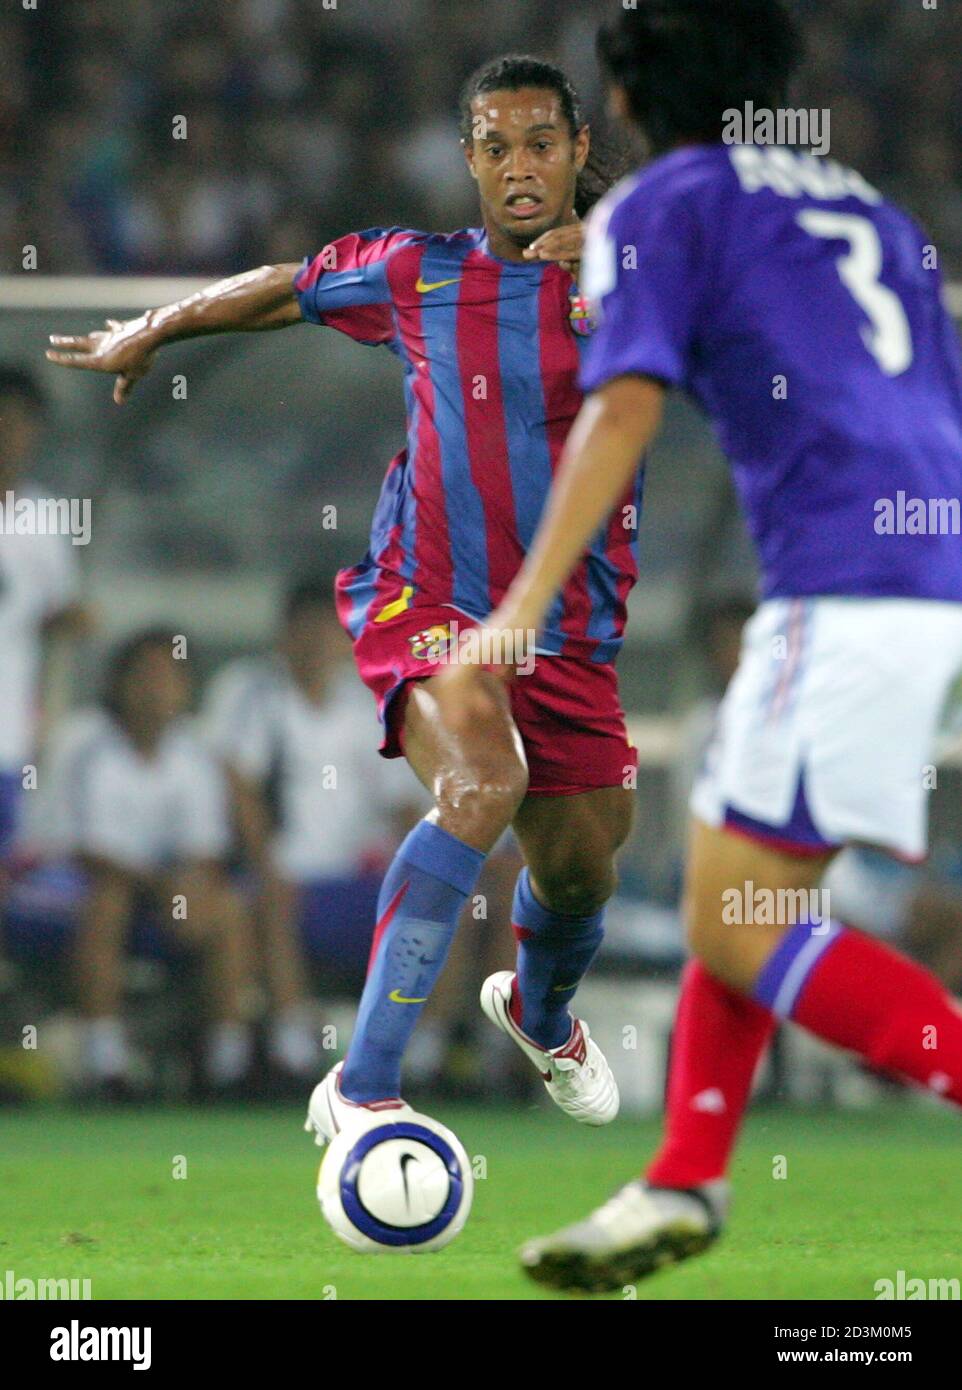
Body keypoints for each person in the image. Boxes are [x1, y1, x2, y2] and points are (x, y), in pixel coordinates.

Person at [435, 0, 962, 1292]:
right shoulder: (865, 208)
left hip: (837, 585)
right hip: (917, 568)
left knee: (730, 922)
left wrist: (514, 613)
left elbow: (619, 408)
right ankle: (680, 1176)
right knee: (745, 895)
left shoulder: (658, 207)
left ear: (616, 102)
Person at [46, 57, 639, 1145]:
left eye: (539, 144)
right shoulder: (416, 272)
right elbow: (285, 284)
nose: (517, 167)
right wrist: (161, 325)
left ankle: (539, 1012)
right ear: (467, 159)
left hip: (568, 635)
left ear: (575, 154)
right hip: (426, 600)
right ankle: (362, 1088)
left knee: (581, 867)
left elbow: (762, 294)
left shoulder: (636, 278)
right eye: (494, 146)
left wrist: (626, 251)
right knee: (480, 782)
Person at [204, 573, 427, 1085]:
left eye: (327, 632)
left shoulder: (368, 703)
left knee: (439, 900)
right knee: (276, 897)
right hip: (275, 874)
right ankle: (292, 1047)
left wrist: (430, 869)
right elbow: (239, 786)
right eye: (303, 631)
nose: (315, 643)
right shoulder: (250, 691)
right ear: (283, 633)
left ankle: (421, 1051)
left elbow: (401, 803)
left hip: (350, 878)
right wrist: (266, 866)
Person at [43, 629, 255, 1099]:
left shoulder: (195, 750)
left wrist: (187, 889)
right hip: (62, 883)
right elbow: (85, 849)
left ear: (185, 689)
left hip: (159, 886)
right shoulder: (83, 740)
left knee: (229, 908)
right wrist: (167, 887)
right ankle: (106, 1063)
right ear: (118, 683)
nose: (156, 689)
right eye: (145, 676)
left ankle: (228, 1063)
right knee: (108, 902)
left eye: (169, 677)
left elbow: (206, 849)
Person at [0, 367, 88, 897]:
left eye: (17, 424)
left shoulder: (45, 520)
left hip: (8, 735)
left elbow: (58, 614)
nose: (7, 435)